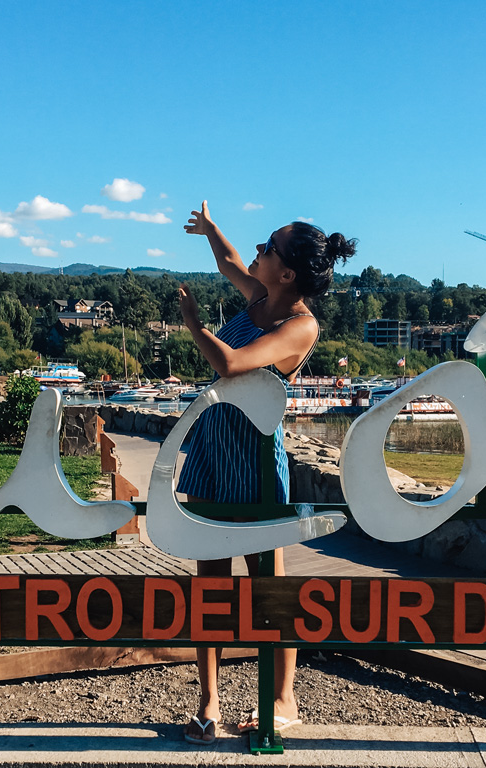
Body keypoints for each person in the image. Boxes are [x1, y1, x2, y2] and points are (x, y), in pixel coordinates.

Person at [175, 201, 355, 744]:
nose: (256, 251)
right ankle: (208, 701)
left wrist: (193, 326)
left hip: (254, 458)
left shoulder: (300, 327)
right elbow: (231, 260)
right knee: (209, 582)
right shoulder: (258, 294)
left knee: (267, 590)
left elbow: (231, 363)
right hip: (213, 448)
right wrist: (211, 230)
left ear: (287, 272)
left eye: (267, 247)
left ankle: (283, 700)